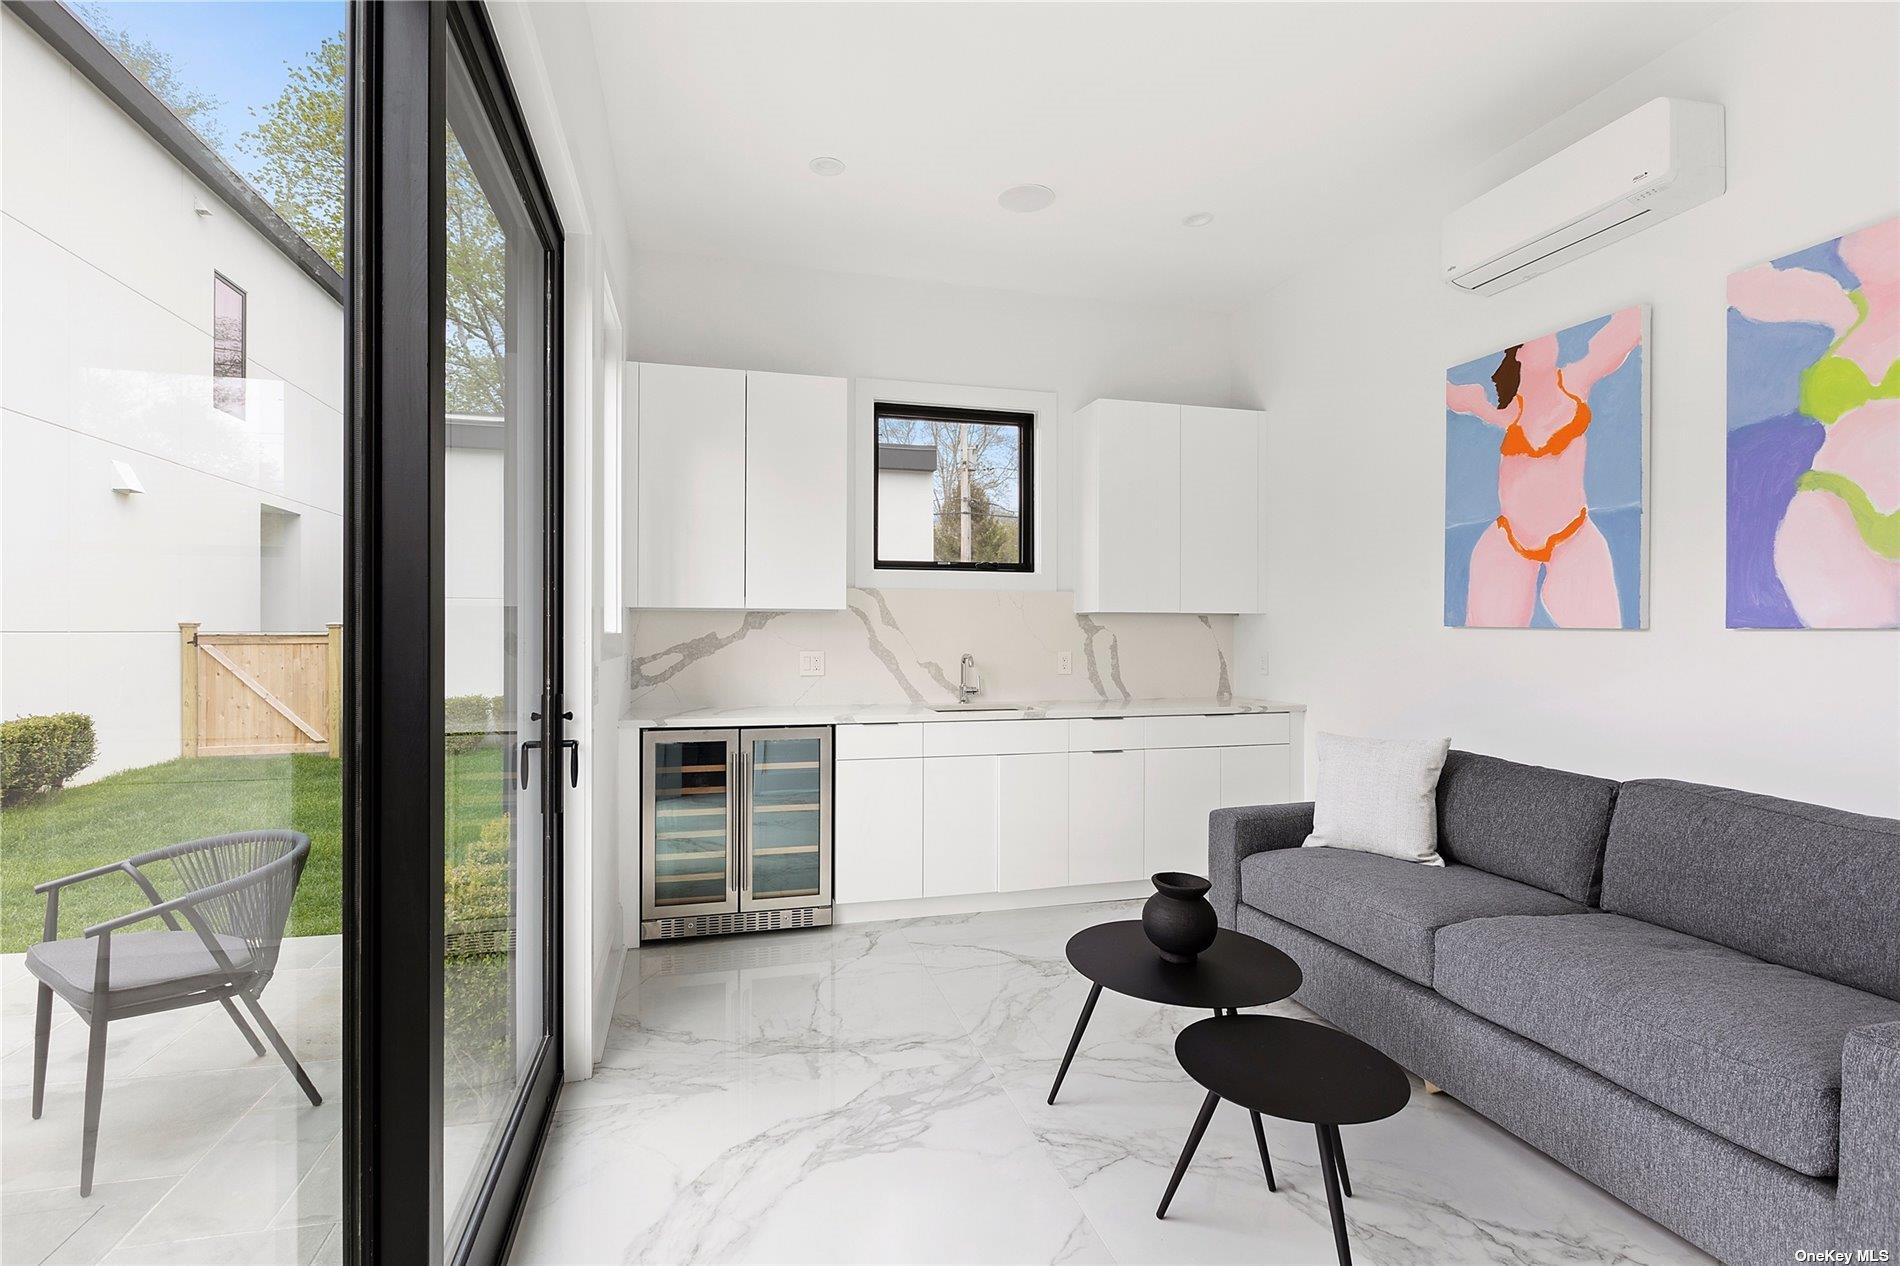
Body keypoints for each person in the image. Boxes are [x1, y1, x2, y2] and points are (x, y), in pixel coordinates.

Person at [1446, 307, 1642, 626]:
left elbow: (1622, 334)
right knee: (1487, 637)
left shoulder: (1576, 382)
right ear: (1518, 357)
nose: (1545, 336)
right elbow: (1455, 397)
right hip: (1508, 542)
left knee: (1603, 633)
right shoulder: (1508, 410)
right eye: (1529, 342)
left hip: (1571, 538)